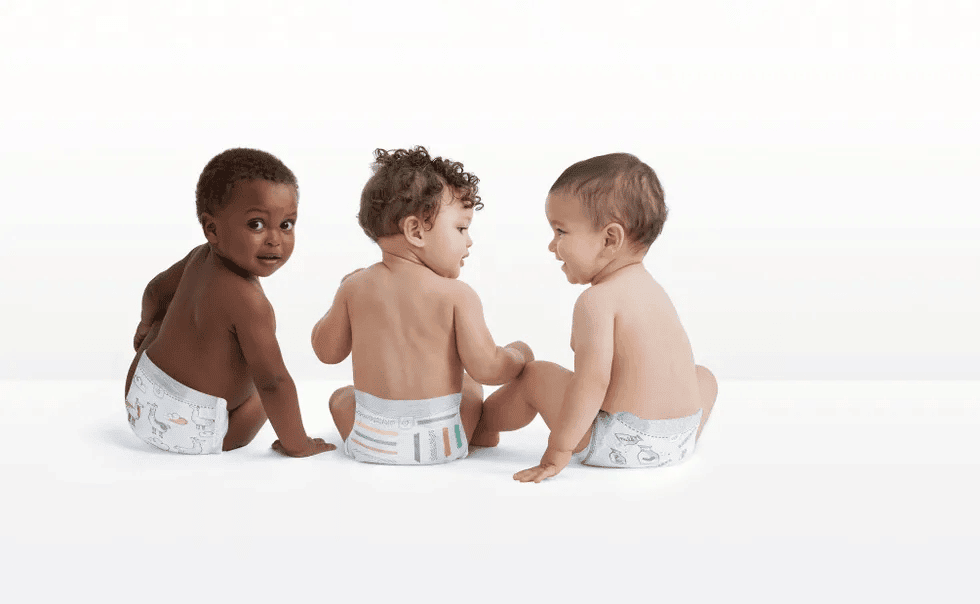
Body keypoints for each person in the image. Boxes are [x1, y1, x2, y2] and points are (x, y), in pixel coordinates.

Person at [470, 152, 718, 482]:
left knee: (536, 375)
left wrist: (559, 449)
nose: (551, 245)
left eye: (560, 231)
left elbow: (593, 382)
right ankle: (671, 434)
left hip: (619, 444)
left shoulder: (596, 301)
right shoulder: (653, 290)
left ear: (610, 239)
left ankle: (484, 428)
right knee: (702, 375)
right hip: (681, 440)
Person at [312, 146, 532, 465]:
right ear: (416, 231)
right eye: (461, 228)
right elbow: (488, 369)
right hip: (441, 443)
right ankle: (479, 434)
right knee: (469, 388)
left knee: (340, 398)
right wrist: (518, 354)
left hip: (370, 442)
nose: (469, 241)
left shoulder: (355, 287)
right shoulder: (457, 294)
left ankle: (377, 441)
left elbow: (326, 352)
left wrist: (342, 290)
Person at [125, 148, 334, 457]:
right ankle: (267, 439)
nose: (275, 239)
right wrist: (298, 444)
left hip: (138, 400)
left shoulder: (199, 256)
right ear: (213, 229)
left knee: (168, 320)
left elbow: (155, 291)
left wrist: (146, 327)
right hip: (191, 433)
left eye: (286, 224)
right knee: (263, 385)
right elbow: (273, 382)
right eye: (256, 225)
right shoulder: (250, 302)